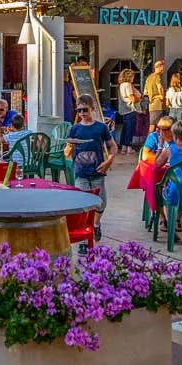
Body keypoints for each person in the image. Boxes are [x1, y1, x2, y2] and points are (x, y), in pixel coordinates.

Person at [64, 94, 117, 253]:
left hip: (98, 169)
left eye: (85, 110)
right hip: (80, 171)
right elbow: (67, 152)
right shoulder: (75, 129)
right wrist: (68, 148)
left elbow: (112, 146)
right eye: (79, 110)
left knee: (101, 203)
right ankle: (84, 239)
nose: (81, 113)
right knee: (84, 205)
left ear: (92, 109)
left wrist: (109, 161)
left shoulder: (101, 128)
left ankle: (95, 224)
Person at [117, 70, 141, 154]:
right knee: (130, 129)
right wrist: (139, 99)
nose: (133, 78)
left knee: (125, 128)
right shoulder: (128, 85)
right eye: (132, 76)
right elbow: (132, 98)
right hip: (130, 109)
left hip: (124, 110)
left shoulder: (121, 85)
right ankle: (129, 147)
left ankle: (123, 147)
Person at [143, 60, 166, 133]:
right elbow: (159, 88)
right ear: (159, 67)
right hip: (157, 104)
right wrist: (161, 96)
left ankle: (152, 141)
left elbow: (145, 92)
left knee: (153, 124)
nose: (163, 70)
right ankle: (151, 142)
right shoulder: (157, 77)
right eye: (162, 68)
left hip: (151, 105)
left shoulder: (148, 78)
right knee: (157, 125)